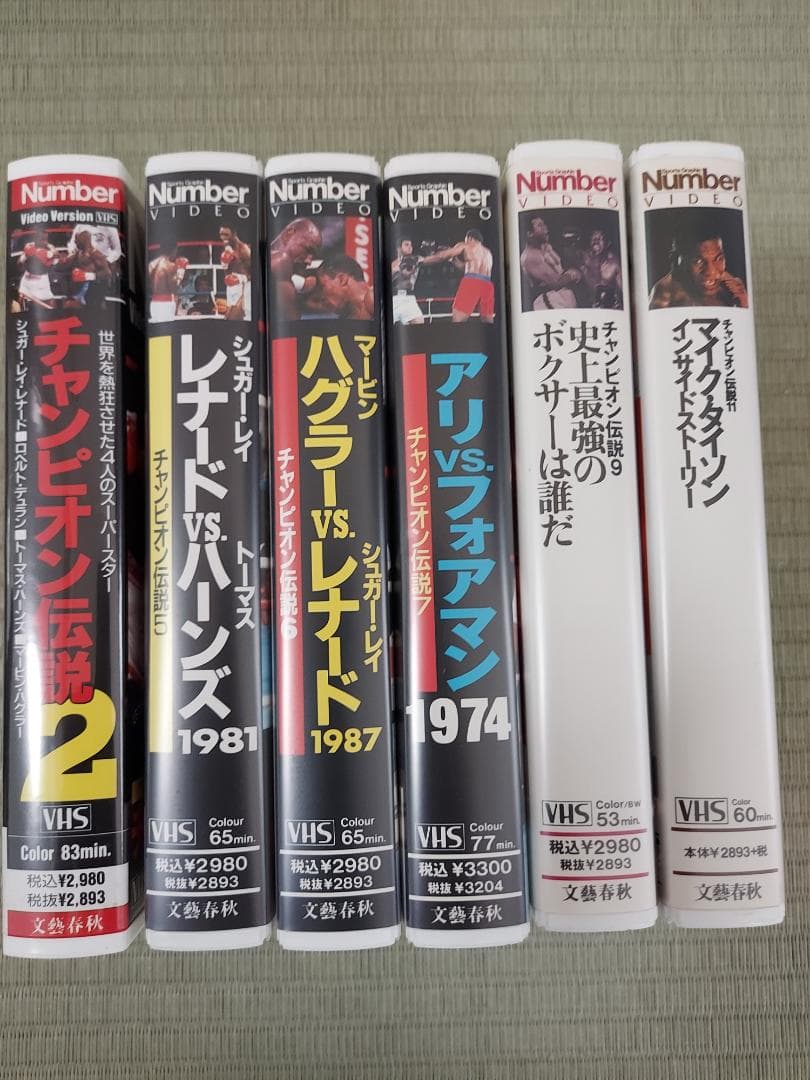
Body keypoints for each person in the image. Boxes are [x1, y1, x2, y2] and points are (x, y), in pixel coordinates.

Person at [649, 230, 748, 308]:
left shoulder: (731, 286)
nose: (711, 271)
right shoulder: (664, 295)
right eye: (698, 261)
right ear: (676, 261)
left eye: (718, 259)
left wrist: (744, 302)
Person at [420, 228, 494, 323]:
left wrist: (423, 260)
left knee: (458, 320)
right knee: (488, 321)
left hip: (472, 283)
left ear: (469, 238)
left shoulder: (465, 245)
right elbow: (467, 269)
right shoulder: (488, 253)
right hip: (487, 285)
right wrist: (453, 259)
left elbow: (442, 256)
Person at [519, 216, 579, 310]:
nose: (545, 227)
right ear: (530, 234)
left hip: (564, 297)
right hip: (549, 302)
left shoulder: (546, 247)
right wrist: (573, 274)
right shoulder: (530, 256)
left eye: (544, 224)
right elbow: (555, 283)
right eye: (540, 225)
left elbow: (559, 271)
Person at [269, 218, 322, 319]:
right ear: (288, 234)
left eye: (313, 256)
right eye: (307, 249)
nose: (309, 261)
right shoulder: (282, 261)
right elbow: (292, 323)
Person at [60, 228, 111, 306]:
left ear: (84, 240)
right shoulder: (79, 253)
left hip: (93, 290)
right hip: (78, 288)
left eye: (77, 240)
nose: (75, 242)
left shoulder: (96, 254)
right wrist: (63, 260)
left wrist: (87, 276)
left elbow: (107, 273)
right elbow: (66, 261)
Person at [314, 254, 374, 319]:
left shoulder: (372, 299)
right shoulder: (346, 316)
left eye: (322, 287)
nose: (320, 297)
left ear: (342, 279)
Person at [17, 228, 60, 308]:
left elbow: (57, 256)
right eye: (41, 239)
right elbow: (19, 263)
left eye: (45, 239)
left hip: (42, 281)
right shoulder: (29, 247)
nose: (44, 241)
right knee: (21, 303)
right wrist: (26, 255)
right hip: (27, 279)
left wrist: (50, 250)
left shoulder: (49, 247)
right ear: (36, 238)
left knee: (50, 304)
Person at [581, 228, 623, 309]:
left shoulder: (614, 263)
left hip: (610, 308)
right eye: (593, 237)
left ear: (608, 243)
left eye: (600, 238)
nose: (596, 241)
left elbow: (623, 292)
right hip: (588, 307)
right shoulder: (583, 258)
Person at [148, 239, 188, 321]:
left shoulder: (152, 264)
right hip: (165, 304)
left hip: (154, 303)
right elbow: (174, 288)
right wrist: (181, 272)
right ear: (174, 250)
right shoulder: (170, 266)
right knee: (167, 327)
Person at [390, 238, 425, 324]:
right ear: (399, 248)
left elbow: (436, 258)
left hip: (409, 298)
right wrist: (394, 271)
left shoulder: (416, 260)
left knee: (420, 323)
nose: (410, 247)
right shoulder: (392, 265)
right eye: (406, 244)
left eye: (411, 245)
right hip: (393, 299)